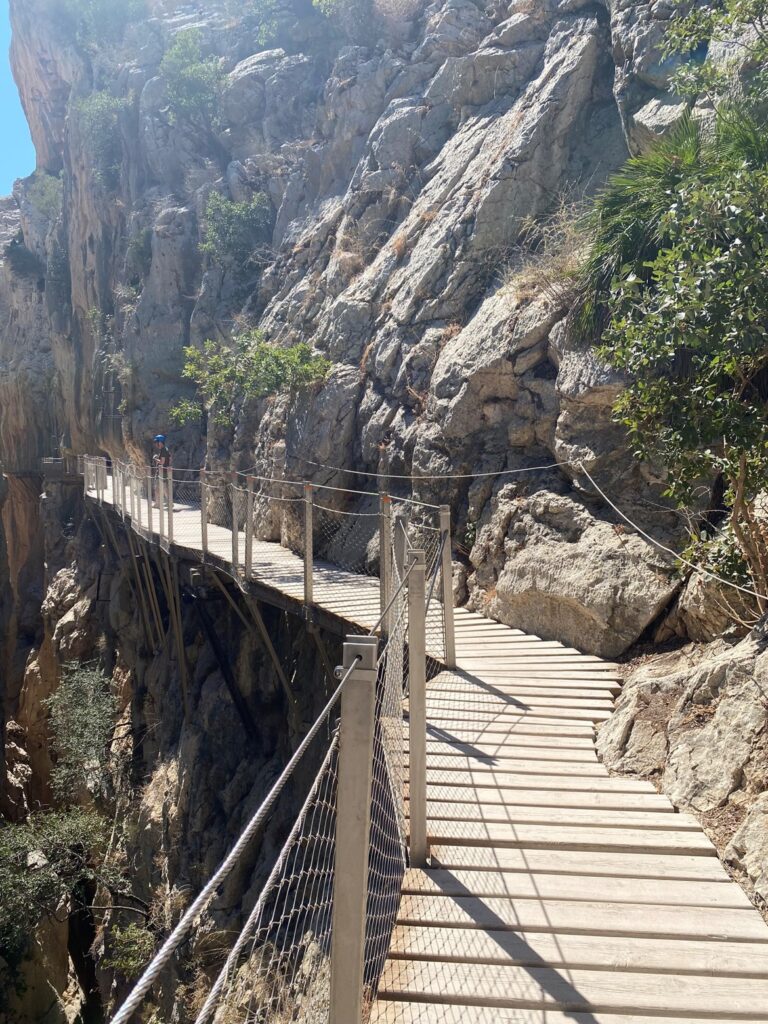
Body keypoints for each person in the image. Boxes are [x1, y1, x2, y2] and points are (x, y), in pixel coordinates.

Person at [151, 434, 171, 507]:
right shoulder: (166, 449)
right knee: (165, 487)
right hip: (164, 471)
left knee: (156, 488)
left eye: (156, 442)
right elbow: (170, 459)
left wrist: (155, 458)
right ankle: (170, 502)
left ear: (160, 442)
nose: (156, 444)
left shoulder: (163, 450)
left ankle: (157, 503)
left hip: (161, 472)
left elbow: (162, 461)